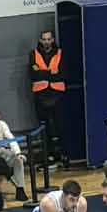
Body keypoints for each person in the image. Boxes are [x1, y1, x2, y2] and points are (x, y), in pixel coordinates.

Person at [29, 27, 66, 164]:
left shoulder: (60, 53)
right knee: (44, 127)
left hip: (58, 94)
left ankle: (63, 154)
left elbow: (63, 73)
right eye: (44, 39)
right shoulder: (34, 54)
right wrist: (51, 72)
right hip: (41, 94)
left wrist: (42, 72)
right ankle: (48, 155)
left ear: (53, 40)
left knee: (60, 125)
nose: (46, 42)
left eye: (49, 39)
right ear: (40, 40)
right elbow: (33, 75)